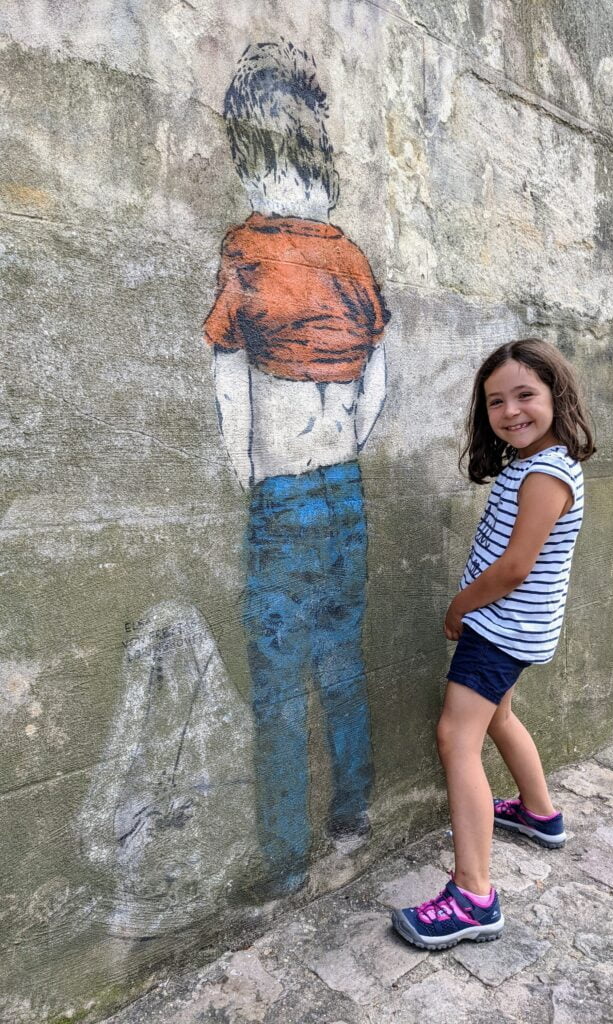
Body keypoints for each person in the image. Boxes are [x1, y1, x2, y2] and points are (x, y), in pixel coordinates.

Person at [203, 40, 389, 897]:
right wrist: (348, 437)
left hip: (281, 490)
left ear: (247, 148)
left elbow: (230, 381)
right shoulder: (348, 256)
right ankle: (352, 810)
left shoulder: (246, 248)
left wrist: (248, 472)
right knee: (342, 660)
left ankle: (284, 862)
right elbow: (377, 378)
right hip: (342, 483)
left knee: (279, 687)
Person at [391, 339, 595, 950]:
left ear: (556, 397)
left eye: (525, 395)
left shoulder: (545, 471)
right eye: (495, 401)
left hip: (501, 627)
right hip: (515, 627)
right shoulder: (536, 462)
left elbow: (515, 568)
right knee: (499, 714)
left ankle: (473, 896)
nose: (510, 411)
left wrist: (459, 607)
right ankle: (540, 813)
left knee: (458, 736)